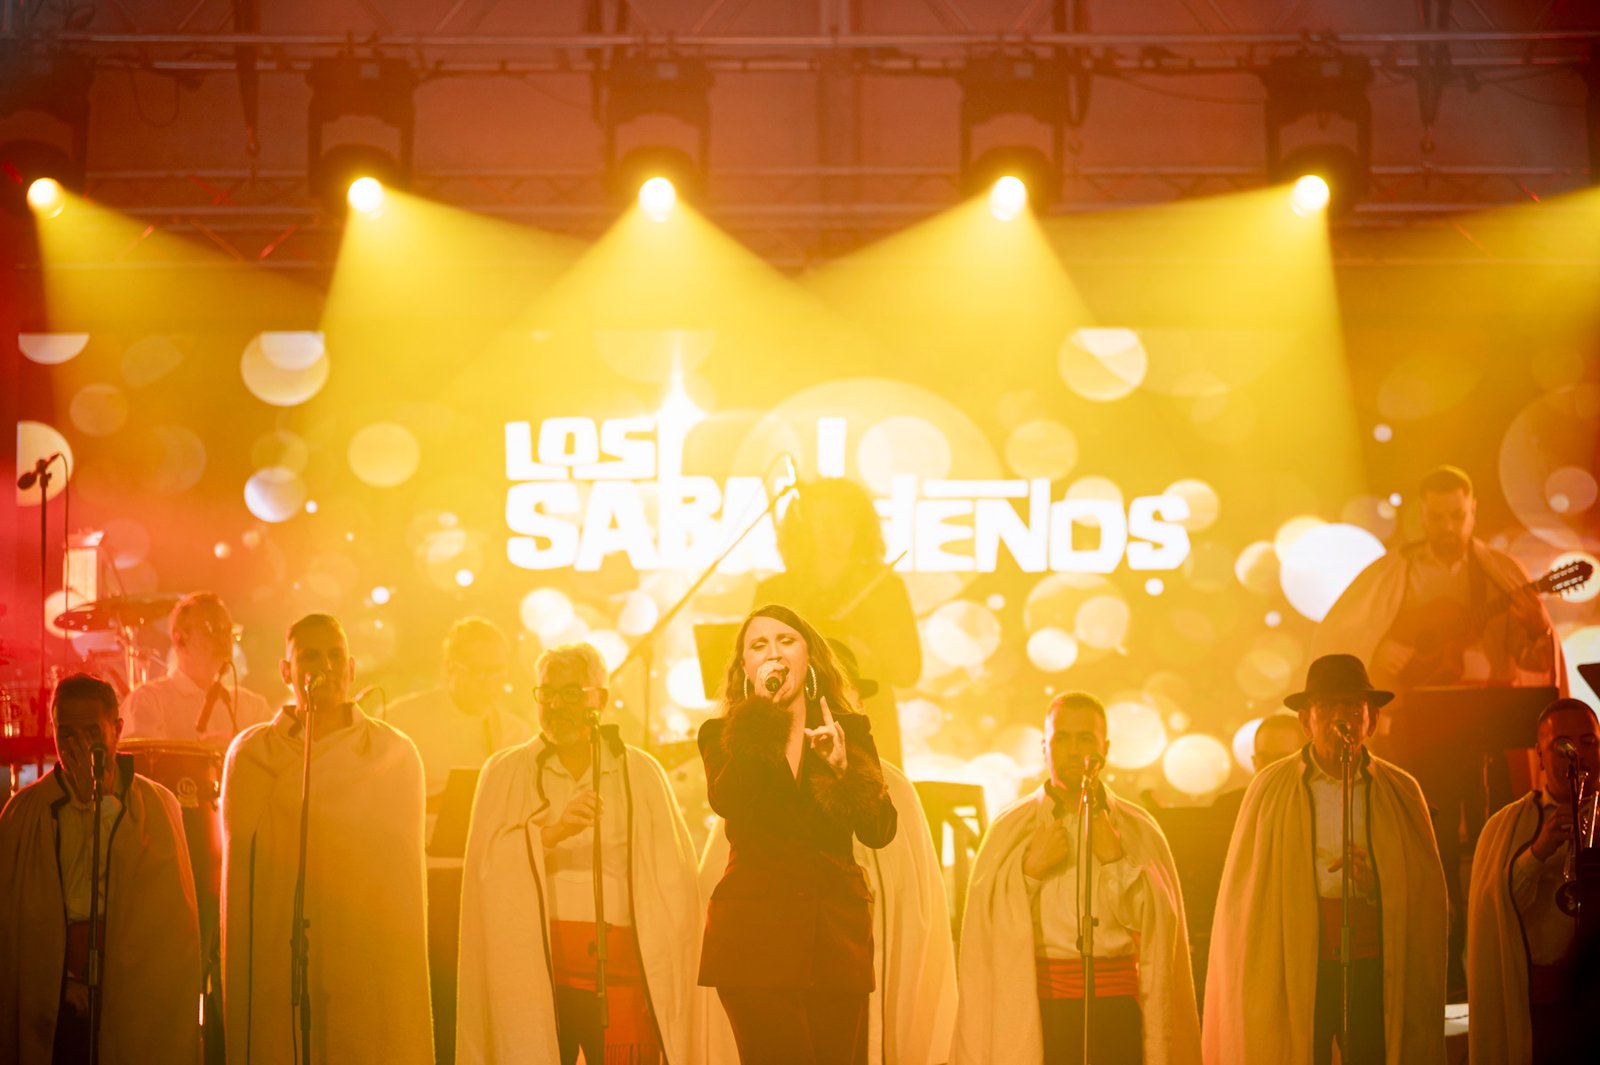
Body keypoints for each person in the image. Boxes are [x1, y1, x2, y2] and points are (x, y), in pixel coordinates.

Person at [1312, 465, 1566, 992]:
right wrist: (1382, 649)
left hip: (1491, 729)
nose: (1447, 526)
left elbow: (1532, 657)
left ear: (1472, 513)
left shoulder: (1500, 571)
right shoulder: (1394, 573)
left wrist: (1537, 626)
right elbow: (1347, 634)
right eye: (1436, 517)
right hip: (1421, 730)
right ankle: (1443, 968)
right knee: (1430, 848)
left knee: (1499, 840)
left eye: (1456, 515)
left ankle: (1502, 957)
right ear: (1421, 517)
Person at [694, 640, 957, 1065]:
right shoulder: (754, 771)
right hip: (773, 965)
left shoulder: (892, 787)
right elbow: (721, 875)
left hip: (849, 964)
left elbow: (917, 899)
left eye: (848, 696)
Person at [456, 641, 701, 1065]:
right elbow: (484, 871)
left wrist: (664, 975)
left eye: (572, 692)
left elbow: (673, 881)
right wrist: (551, 833)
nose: (556, 704)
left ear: (599, 699)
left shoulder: (639, 772)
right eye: (547, 692)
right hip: (536, 970)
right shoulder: (504, 770)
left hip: (623, 972)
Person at [1202, 654, 1448, 1065]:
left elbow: (1429, 895)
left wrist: (1378, 883)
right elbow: (1245, 894)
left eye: (1354, 706)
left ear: (1371, 720)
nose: (1343, 718)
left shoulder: (1401, 790)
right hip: (1296, 962)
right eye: (1329, 706)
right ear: (1306, 720)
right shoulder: (1271, 788)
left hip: (1373, 965)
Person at [220, 614, 432, 1064]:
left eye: (337, 656)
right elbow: (244, 883)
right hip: (284, 952)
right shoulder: (253, 753)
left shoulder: (392, 754)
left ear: (353, 668)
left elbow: (400, 884)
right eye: (312, 656)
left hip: (364, 953)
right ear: (286, 671)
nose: (327, 666)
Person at [953, 691, 1200, 1065]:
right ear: (1044, 746)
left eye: (1085, 738)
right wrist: (1030, 871)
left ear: (1105, 747)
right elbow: (985, 931)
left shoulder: (1136, 828)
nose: (1073, 750)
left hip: (1116, 1006)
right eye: (1062, 738)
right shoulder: (1011, 827)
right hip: (1040, 1007)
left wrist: (1115, 859)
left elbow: (1157, 928)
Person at [0, 673, 201, 1065]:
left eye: (91, 731)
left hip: (131, 1006)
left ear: (117, 730)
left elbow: (170, 923)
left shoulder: (157, 807)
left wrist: (104, 805)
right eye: (65, 733)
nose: (76, 745)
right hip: (56, 1009)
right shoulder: (24, 813)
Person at [1468, 697, 1600, 1064]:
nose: (1577, 754)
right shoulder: (1504, 827)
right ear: (1540, 757)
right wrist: (1538, 852)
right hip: (1540, 1003)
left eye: (1588, 742)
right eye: (1563, 745)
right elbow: (1494, 914)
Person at [756, 478, 922, 764]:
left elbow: (908, 671)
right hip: (793, 731)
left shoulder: (886, 590)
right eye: (825, 522)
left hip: (867, 729)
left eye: (845, 522)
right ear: (805, 529)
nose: (835, 533)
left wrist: (866, 653)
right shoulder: (775, 592)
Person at [386, 617, 534, 832]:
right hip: (422, 857)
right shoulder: (401, 719)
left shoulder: (518, 734)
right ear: (449, 667)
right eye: (477, 670)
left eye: (496, 670)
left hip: (488, 858)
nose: (488, 680)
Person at [122, 592, 275, 749]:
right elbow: (141, 768)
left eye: (229, 630)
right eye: (213, 628)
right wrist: (197, 759)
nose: (224, 640)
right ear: (180, 639)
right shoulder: (148, 701)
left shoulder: (253, 707)